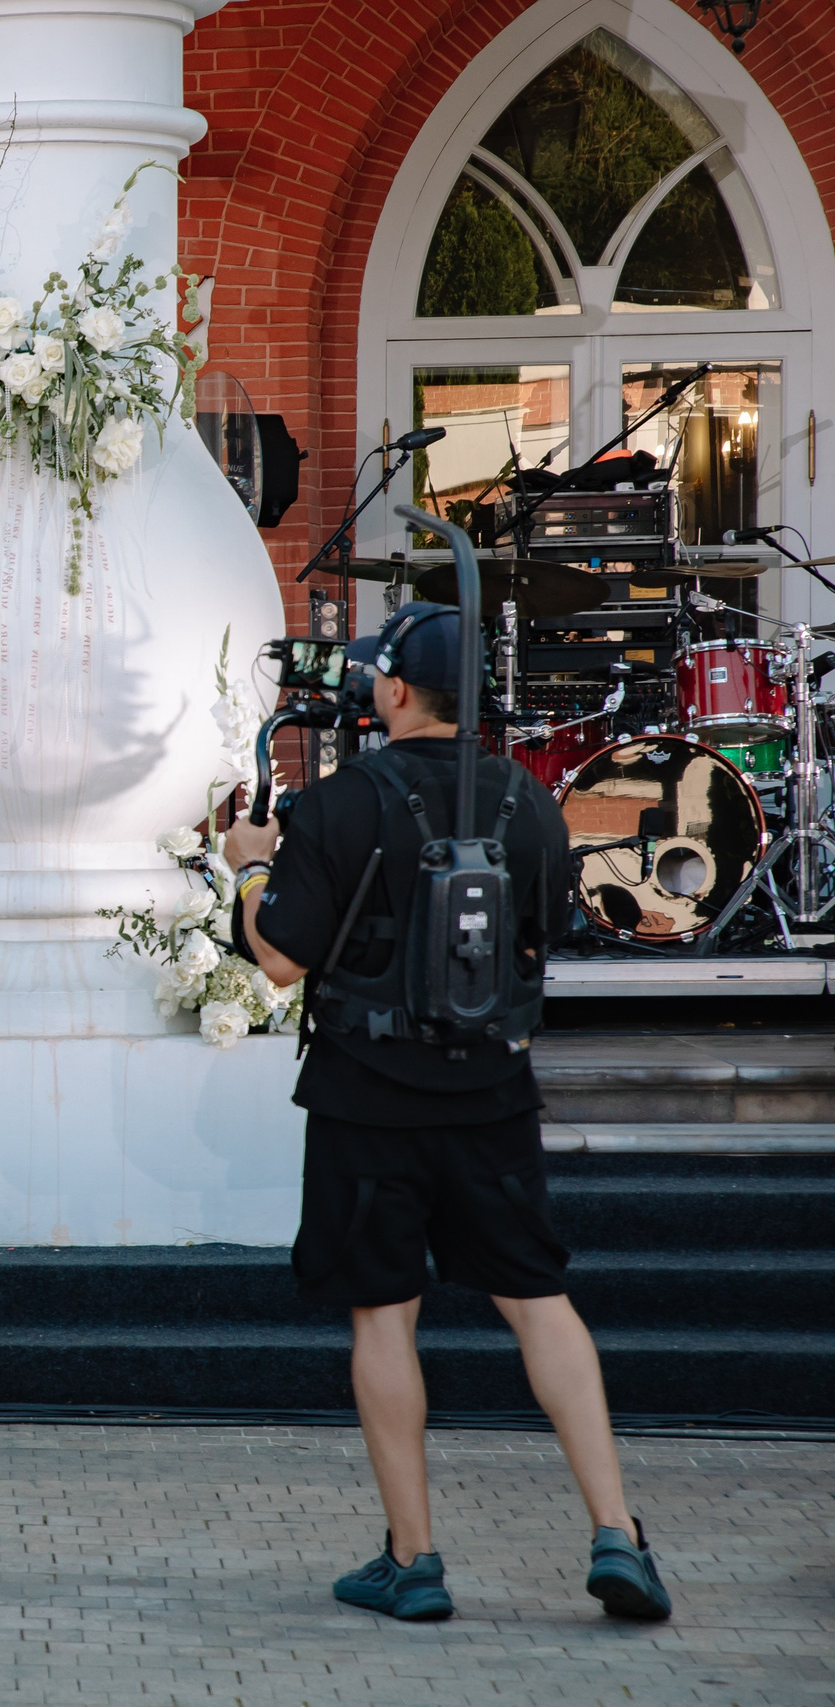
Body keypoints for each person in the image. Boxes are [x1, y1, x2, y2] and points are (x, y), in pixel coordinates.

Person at [223, 602, 671, 1625]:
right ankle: (617, 1533)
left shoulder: (338, 805)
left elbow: (281, 957)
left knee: (384, 1314)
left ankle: (413, 1561)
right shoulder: (528, 801)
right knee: (536, 1299)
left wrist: (251, 864)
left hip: (363, 1098)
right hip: (490, 1092)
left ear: (389, 690)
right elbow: (539, 939)